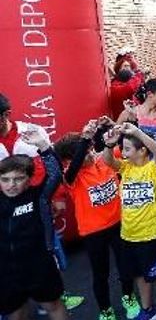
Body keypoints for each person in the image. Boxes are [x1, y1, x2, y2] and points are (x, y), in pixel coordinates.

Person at [56, 121, 140, 320]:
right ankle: (106, 310)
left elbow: (129, 148)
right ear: (69, 160)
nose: (90, 154)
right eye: (85, 153)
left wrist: (113, 130)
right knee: (100, 273)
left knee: (125, 265)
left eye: (91, 149)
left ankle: (129, 297)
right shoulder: (71, 176)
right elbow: (75, 166)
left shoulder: (104, 160)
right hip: (93, 231)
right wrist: (85, 139)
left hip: (119, 223)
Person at [102, 122, 156, 320]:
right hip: (129, 234)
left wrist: (137, 131)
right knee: (139, 275)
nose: (123, 153)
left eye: (128, 149)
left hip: (153, 233)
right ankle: (148, 309)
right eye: (122, 148)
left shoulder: (154, 168)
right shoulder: (125, 168)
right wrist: (109, 145)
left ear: (142, 150)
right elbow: (108, 161)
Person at [0, 127, 66, 320]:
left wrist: (43, 145)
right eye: (5, 179)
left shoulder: (39, 197)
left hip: (38, 265)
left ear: (29, 180)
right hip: (5, 270)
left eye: (18, 179)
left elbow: (55, 174)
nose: (11, 184)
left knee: (53, 305)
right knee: (16, 313)